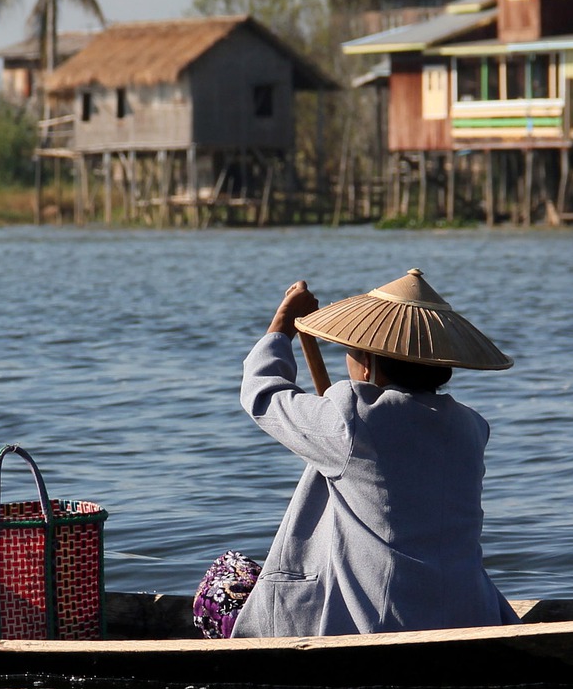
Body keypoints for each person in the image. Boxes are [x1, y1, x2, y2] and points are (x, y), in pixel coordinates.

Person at [219, 268, 523, 639]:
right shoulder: (470, 427)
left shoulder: (351, 418)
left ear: (369, 361)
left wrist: (282, 325)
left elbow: (263, 396)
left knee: (223, 579)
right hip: (472, 612)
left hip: (381, 624)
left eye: (351, 350)